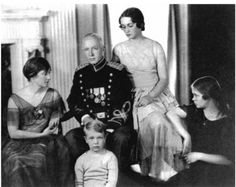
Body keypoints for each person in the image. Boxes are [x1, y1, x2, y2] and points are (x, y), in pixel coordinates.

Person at [112, 7, 184, 181]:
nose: (126, 30)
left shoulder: (155, 46)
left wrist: (150, 97)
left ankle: (164, 176)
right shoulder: (118, 49)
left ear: (140, 24)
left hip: (156, 94)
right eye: (123, 27)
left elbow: (164, 78)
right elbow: (113, 78)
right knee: (155, 123)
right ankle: (150, 176)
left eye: (130, 25)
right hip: (132, 97)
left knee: (160, 123)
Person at [65, 33, 135, 172]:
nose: (90, 53)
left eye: (94, 48)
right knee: (72, 137)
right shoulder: (80, 73)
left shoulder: (117, 71)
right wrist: (87, 119)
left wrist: (106, 126)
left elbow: (125, 104)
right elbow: (73, 101)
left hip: (114, 126)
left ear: (103, 49)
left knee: (122, 137)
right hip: (90, 126)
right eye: (86, 49)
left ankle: (117, 180)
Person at [2, 57, 73, 187]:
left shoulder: (53, 95)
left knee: (41, 158)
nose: (49, 77)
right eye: (44, 74)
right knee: (15, 160)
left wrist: (54, 120)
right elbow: (13, 133)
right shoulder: (15, 99)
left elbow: (57, 118)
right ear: (32, 76)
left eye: (49, 73)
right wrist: (40, 134)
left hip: (48, 141)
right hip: (20, 142)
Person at [167, 76, 235, 187]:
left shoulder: (228, 124)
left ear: (208, 96)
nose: (193, 99)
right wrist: (186, 136)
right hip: (192, 172)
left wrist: (199, 156)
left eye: (196, 95)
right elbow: (170, 112)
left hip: (214, 176)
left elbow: (229, 160)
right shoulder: (195, 111)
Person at [75, 119, 118, 187]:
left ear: (105, 138)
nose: (96, 142)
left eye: (99, 138)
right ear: (86, 139)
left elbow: (112, 182)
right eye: (91, 138)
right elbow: (79, 183)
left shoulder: (110, 157)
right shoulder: (81, 160)